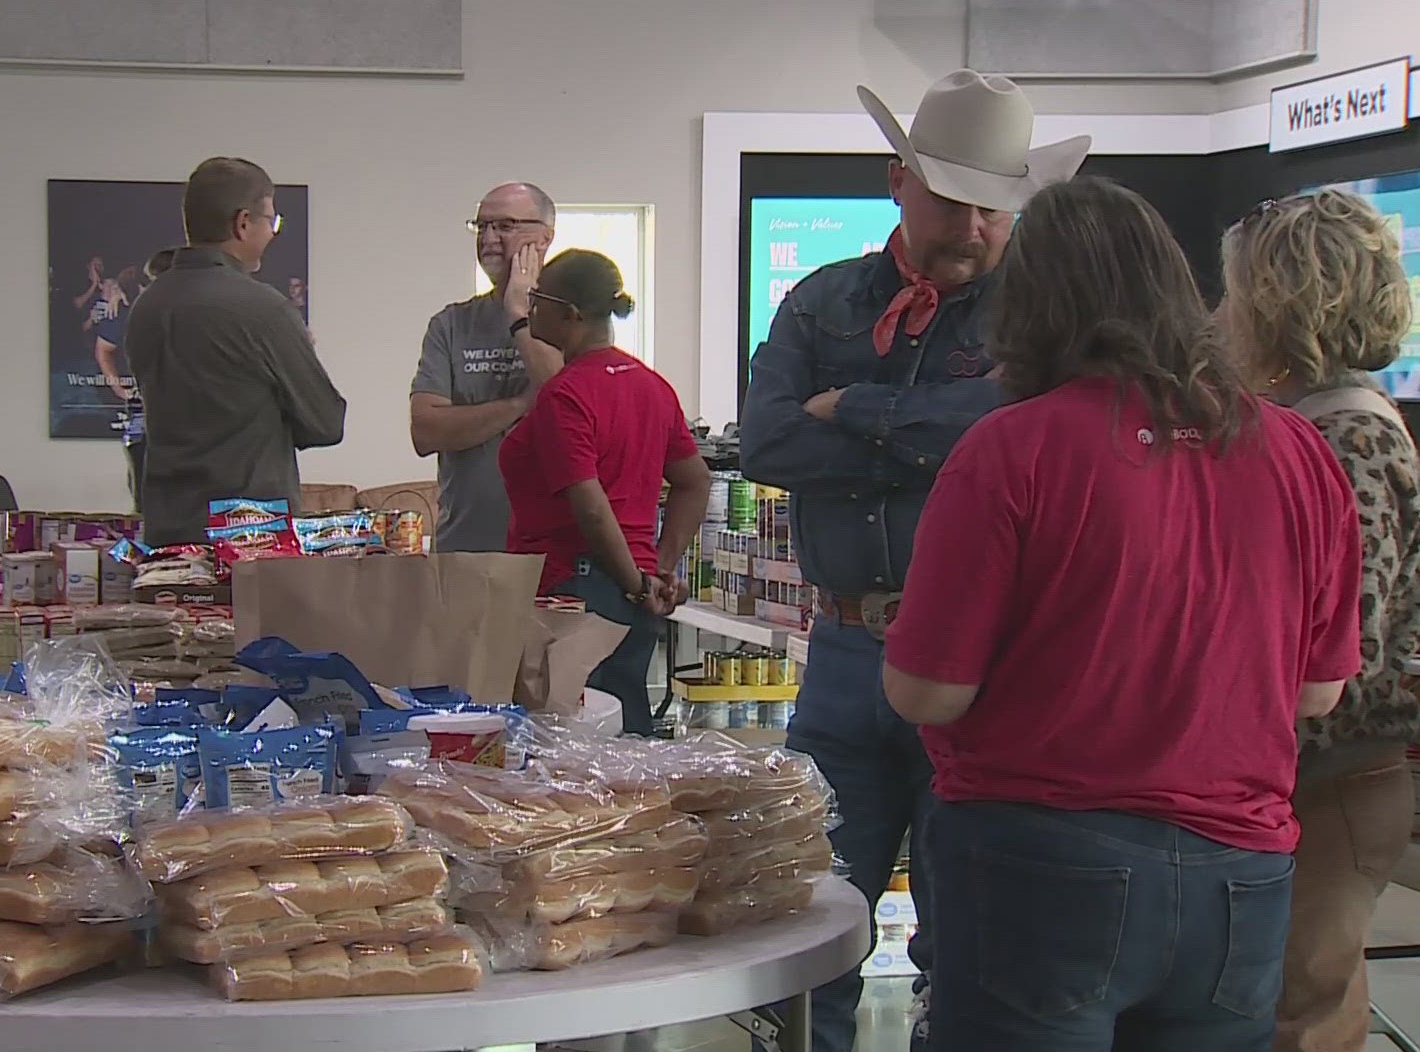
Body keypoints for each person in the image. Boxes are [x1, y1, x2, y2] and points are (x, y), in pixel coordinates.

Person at [881, 176, 1362, 1050]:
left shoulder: (1011, 448)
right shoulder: (1299, 452)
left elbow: (928, 693)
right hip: (1239, 873)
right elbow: (1318, 693)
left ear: (1026, 305)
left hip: (1039, 859)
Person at [736, 69, 1089, 1049]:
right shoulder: (820, 304)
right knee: (807, 912)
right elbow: (763, 443)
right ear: (899, 181)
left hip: (989, 665)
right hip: (847, 651)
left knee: (969, 933)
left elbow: (1019, 431)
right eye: (957, 202)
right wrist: (948, 436)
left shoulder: (1042, 322)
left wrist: (854, 409)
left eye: (996, 209)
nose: (976, 228)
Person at [1217, 191, 1420, 1052]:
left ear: (1280, 298)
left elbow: (1350, 641)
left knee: (1299, 1021)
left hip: (1329, 781)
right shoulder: (1308, 421)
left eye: (1234, 289)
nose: (1218, 310)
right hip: (1301, 780)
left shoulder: (1349, 437)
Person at [499, 250, 711, 736]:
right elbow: (694, 481)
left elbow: (590, 508)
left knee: (569, 744)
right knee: (623, 729)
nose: (530, 312)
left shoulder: (566, 395)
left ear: (571, 314)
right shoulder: (651, 386)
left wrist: (638, 583)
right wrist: (659, 568)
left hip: (571, 594)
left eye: (538, 301)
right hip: (630, 589)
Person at [126, 157, 345, 544]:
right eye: (271, 221)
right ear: (243, 223)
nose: (273, 233)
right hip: (248, 538)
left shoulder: (147, 305)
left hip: (166, 530)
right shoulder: (264, 309)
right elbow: (326, 423)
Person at [410, 183, 565, 552]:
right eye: (481, 227)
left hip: (552, 553)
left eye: (505, 225)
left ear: (545, 237)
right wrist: (519, 405)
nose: (489, 238)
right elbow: (426, 431)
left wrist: (517, 313)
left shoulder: (571, 316)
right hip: (463, 549)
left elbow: (561, 399)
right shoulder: (451, 324)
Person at [98, 253, 173, 511]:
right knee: (145, 501)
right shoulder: (132, 312)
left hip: (194, 427)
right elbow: (104, 348)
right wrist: (117, 386)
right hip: (146, 421)